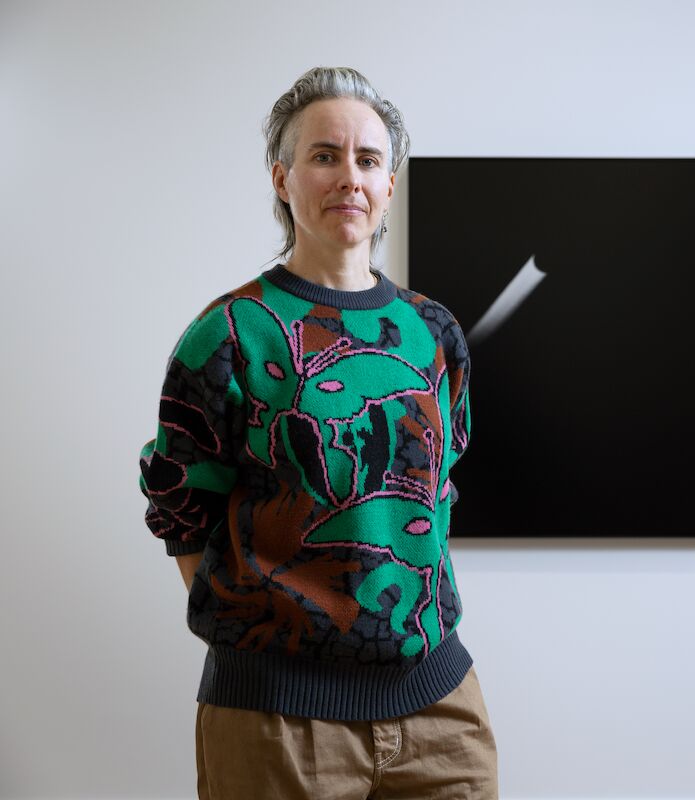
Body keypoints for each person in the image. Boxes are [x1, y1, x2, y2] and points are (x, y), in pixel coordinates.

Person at [138, 66, 498, 799]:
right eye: (324, 156)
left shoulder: (434, 333)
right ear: (283, 178)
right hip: (277, 717)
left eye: (368, 160)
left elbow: (439, 487)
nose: (349, 177)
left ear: (389, 185)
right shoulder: (231, 332)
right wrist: (262, 635)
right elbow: (180, 506)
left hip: (438, 704)